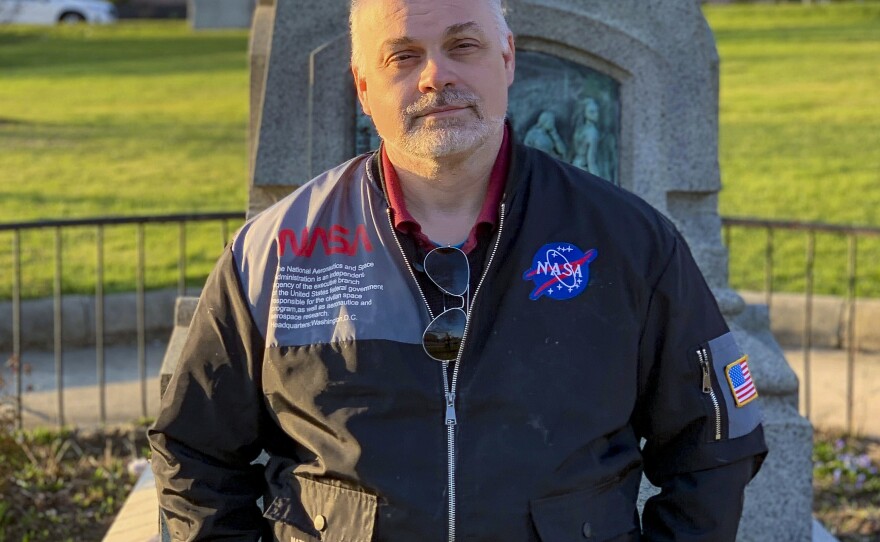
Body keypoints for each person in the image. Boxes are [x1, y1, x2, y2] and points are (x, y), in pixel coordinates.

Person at [148, 0, 768, 540]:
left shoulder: (631, 242)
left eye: (462, 45)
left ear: (507, 59)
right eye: (402, 57)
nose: (435, 76)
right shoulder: (276, 250)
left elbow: (715, 445)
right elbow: (193, 450)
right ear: (363, 87)